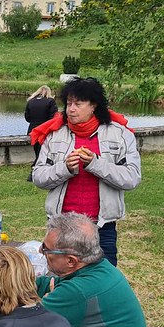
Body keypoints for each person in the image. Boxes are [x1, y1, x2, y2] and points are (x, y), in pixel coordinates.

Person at [30, 77, 140, 266]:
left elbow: (131, 178)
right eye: (68, 103)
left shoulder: (121, 134)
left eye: (78, 104)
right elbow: (38, 177)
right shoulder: (55, 135)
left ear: (94, 105)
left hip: (101, 227)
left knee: (103, 283)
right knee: (62, 282)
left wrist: (95, 164)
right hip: (62, 226)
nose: (71, 109)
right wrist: (64, 168)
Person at [24, 84, 57, 171]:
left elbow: (27, 117)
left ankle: (36, 167)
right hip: (45, 129)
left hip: (33, 129)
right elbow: (54, 117)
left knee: (37, 150)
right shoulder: (50, 101)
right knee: (43, 151)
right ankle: (36, 168)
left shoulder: (30, 101)